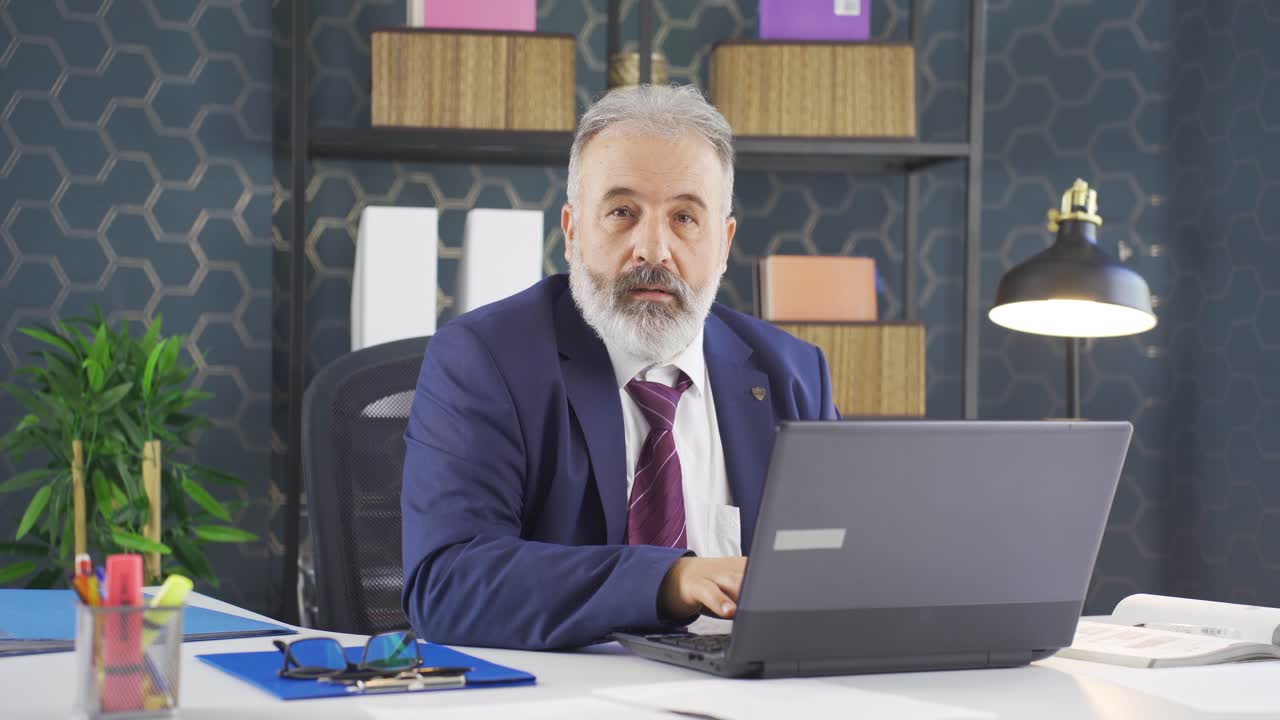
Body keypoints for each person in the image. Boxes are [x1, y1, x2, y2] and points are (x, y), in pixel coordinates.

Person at [401, 84, 838, 650]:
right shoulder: (484, 361)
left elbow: (834, 572)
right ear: (572, 231)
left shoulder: (794, 374)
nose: (652, 250)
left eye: (685, 217)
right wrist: (669, 580)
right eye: (622, 213)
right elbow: (448, 586)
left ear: (724, 243)